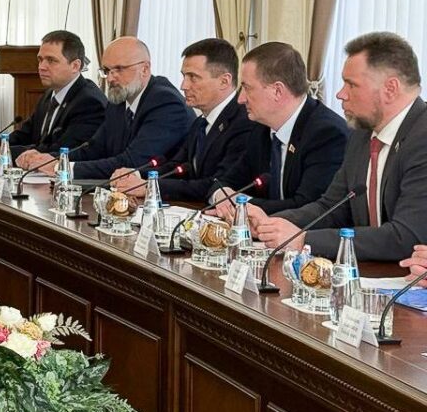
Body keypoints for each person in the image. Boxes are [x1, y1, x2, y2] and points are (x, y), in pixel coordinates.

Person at [253, 32, 427, 261]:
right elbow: (331, 207)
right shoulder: (361, 135)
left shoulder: (422, 138)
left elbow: (405, 237)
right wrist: (271, 224)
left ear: (390, 89)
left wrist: (304, 240)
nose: (340, 94)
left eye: (351, 84)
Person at [16, 37, 193, 179]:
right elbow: (94, 148)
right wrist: (54, 159)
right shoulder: (119, 99)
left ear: (145, 69)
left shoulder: (165, 103)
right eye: (107, 71)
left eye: (119, 69)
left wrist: (62, 167)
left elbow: (133, 162)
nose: (110, 79)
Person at [209, 42, 349, 220]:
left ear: (277, 91)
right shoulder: (261, 128)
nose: (240, 99)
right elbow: (224, 181)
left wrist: (240, 205)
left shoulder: (327, 134)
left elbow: (308, 207)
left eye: (247, 88)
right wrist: (221, 196)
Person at [110, 38, 256, 201]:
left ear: (224, 81)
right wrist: (136, 174)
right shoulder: (200, 123)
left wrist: (149, 187)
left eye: (193, 77)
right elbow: (178, 167)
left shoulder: (244, 123)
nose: (183, 86)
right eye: (184, 76)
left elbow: (218, 184)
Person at [0, 30, 105, 161]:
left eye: (51, 60)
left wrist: (1, 151)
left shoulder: (89, 102)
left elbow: (59, 152)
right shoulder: (50, 94)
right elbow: (24, 136)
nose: (41, 67)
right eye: (40, 59)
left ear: (75, 66)